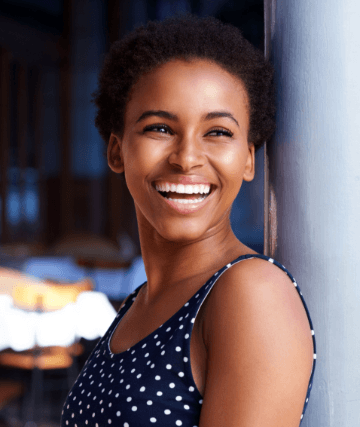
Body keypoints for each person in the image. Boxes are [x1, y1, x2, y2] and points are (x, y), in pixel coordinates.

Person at [61, 15, 316, 427]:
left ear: (249, 158)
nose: (186, 158)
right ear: (116, 151)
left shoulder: (251, 292)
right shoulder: (138, 304)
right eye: (159, 128)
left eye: (217, 132)